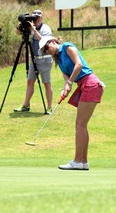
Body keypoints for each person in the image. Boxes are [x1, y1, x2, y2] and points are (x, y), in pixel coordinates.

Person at [39, 36, 105, 171]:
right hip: (84, 85)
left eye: (47, 47)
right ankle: (83, 162)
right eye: (45, 51)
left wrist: (69, 83)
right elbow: (67, 80)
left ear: (52, 41)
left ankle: (77, 161)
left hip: (90, 84)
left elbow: (79, 65)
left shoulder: (67, 47)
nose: (47, 51)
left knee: (80, 124)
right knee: (81, 125)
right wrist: (65, 89)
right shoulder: (59, 61)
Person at [14, 9, 53, 114]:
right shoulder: (31, 27)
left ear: (41, 18)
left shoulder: (46, 29)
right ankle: (26, 105)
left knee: (46, 83)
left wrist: (33, 30)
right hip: (34, 59)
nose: (36, 20)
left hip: (45, 59)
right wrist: (21, 26)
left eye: (38, 18)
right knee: (30, 81)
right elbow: (17, 33)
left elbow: (44, 42)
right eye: (34, 18)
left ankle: (49, 107)